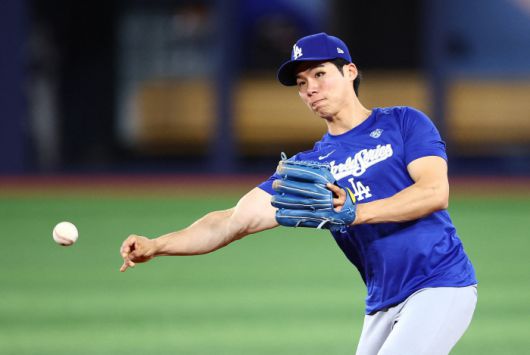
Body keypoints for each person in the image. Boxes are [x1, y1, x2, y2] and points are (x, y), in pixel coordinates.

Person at [119, 32, 477, 354]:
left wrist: (357, 212)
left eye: (320, 74)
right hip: (383, 299)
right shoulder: (310, 169)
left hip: (440, 283)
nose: (310, 89)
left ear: (350, 71)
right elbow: (231, 222)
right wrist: (157, 245)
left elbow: (434, 192)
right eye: (302, 83)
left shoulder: (403, 122)